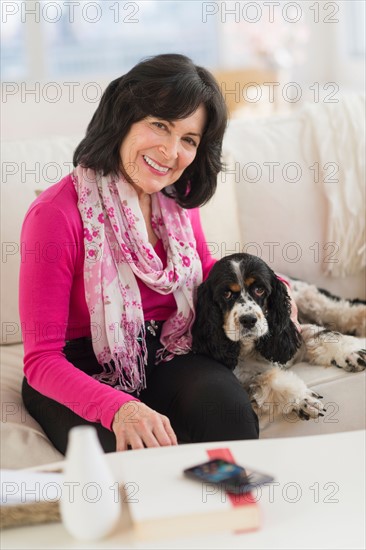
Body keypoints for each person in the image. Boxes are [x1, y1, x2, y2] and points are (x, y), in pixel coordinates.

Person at [19, 53, 261, 455]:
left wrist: (276, 287)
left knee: (230, 415)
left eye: (188, 139)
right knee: (127, 453)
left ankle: (227, 515)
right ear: (123, 118)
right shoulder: (55, 214)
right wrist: (121, 409)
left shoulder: (178, 200)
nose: (170, 152)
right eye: (159, 125)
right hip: (76, 367)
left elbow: (200, 270)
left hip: (167, 347)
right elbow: (41, 359)